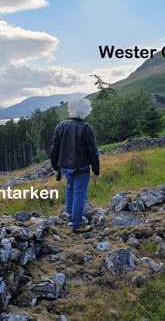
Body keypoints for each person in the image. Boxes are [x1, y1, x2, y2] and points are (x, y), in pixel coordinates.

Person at [50, 98, 100, 233]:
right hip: (81, 167)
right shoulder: (86, 127)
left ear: (71, 109)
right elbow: (93, 151)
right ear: (85, 111)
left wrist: (56, 167)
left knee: (69, 187)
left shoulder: (60, 126)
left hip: (65, 166)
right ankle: (77, 225)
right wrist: (96, 170)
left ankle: (70, 213)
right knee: (80, 193)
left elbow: (54, 149)